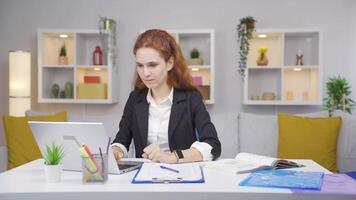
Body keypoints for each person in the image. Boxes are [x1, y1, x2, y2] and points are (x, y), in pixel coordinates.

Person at [111, 29, 221, 164]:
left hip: (182, 175)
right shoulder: (135, 99)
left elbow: (213, 145)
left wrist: (172, 157)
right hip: (144, 177)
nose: (145, 73)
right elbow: (121, 140)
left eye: (152, 65)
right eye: (140, 65)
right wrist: (115, 151)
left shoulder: (191, 97)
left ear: (170, 63)